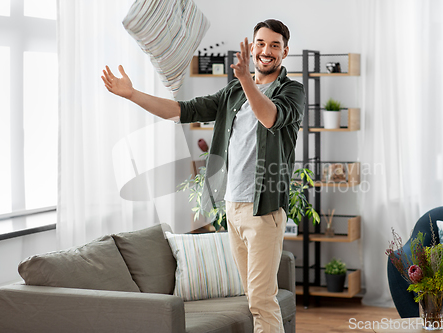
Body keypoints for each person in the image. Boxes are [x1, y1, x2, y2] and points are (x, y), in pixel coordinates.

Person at [102, 19, 304, 333]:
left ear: (285, 52)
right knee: (252, 296)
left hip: (263, 209)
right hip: (233, 207)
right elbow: (182, 110)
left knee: (262, 300)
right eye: (261, 43)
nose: (267, 50)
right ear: (252, 48)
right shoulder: (234, 92)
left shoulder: (292, 90)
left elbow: (270, 118)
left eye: (274, 45)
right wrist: (132, 94)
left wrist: (247, 82)